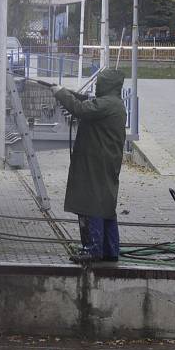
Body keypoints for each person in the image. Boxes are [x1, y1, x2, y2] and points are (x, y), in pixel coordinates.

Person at [51, 68, 127, 263]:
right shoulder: (114, 103)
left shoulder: (107, 104)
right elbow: (88, 103)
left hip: (95, 164)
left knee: (90, 204)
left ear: (107, 84)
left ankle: (92, 249)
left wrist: (60, 93)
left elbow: (80, 109)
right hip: (104, 162)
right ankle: (110, 250)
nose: (97, 86)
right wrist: (70, 94)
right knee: (106, 207)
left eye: (100, 82)